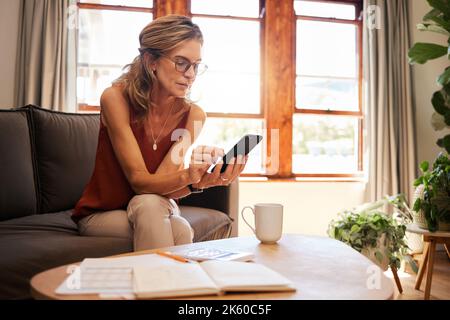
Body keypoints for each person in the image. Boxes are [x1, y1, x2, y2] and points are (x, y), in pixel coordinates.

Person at [73, 15, 248, 251]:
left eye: (196, 65)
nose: (190, 74)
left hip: (155, 206)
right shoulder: (115, 98)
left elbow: (162, 186)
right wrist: (189, 176)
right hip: (103, 214)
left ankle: (159, 285)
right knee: (177, 226)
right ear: (151, 61)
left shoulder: (193, 115)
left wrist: (200, 182)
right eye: (181, 62)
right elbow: (140, 182)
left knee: (153, 206)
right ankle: (183, 286)